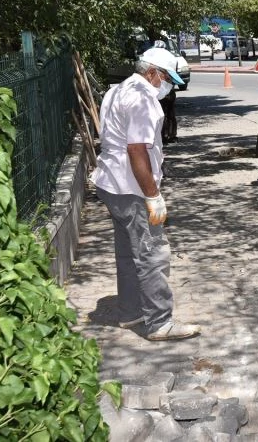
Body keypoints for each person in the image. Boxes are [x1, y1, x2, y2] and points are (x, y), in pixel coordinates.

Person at [91, 47, 200, 341]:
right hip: (131, 187)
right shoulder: (144, 100)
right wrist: (152, 195)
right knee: (153, 254)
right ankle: (159, 322)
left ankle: (130, 312)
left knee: (127, 252)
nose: (168, 86)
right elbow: (136, 149)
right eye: (166, 78)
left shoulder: (117, 90)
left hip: (111, 184)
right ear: (151, 72)